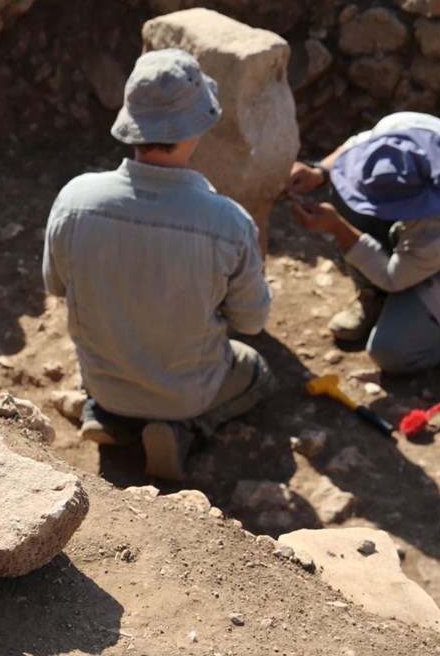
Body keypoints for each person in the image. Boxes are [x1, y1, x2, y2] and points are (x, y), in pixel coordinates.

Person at [42, 49, 273, 482]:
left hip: (105, 382)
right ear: (198, 127)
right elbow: (253, 321)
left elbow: (55, 286)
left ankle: (108, 417)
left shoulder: (75, 200)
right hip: (187, 393)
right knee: (257, 373)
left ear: (132, 125)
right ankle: (181, 430)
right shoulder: (227, 222)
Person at [287, 111, 440, 374]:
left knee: (390, 352)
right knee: (343, 187)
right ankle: (374, 297)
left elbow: (393, 276)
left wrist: (338, 227)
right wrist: (320, 171)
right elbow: (357, 146)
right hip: (431, 247)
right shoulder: (402, 128)